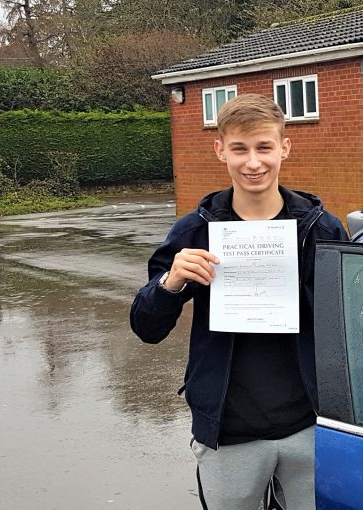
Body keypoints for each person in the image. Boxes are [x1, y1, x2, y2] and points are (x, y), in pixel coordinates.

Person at [130, 93, 348, 510]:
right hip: (228, 429)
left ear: (284, 147)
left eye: (264, 147)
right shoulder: (194, 231)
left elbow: (350, 319)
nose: (253, 162)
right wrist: (170, 283)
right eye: (240, 149)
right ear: (220, 150)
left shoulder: (321, 229)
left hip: (311, 424)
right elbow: (146, 328)